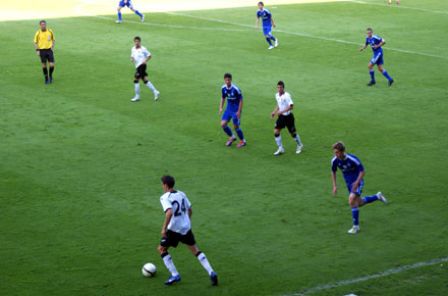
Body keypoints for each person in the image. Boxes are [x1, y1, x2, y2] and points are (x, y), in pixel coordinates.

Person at [157, 175, 218, 286]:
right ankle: (211, 271)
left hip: (173, 230)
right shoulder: (182, 194)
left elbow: (169, 212)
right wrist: (187, 222)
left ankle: (175, 274)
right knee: (195, 250)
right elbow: (190, 210)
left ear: (165, 185)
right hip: (186, 228)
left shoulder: (165, 197)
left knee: (162, 249)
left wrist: (164, 228)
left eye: (162, 184)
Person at [331, 142, 388, 234]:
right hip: (349, 184)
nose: (336, 154)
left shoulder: (352, 159)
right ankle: (377, 196)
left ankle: (356, 227)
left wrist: (357, 182)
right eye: (335, 152)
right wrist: (334, 185)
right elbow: (333, 172)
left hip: (358, 181)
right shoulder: (335, 160)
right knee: (359, 203)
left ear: (343, 151)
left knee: (351, 200)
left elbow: (362, 171)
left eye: (337, 152)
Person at [271, 81, 303, 156]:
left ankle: (299, 145)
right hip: (281, 117)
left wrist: (281, 111)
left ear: (283, 88)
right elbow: (279, 104)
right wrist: (274, 111)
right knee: (276, 131)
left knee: (293, 133)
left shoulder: (287, 95)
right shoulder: (277, 95)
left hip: (288, 117)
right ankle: (280, 148)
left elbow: (291, 106)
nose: (279, 89)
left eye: (280, 87)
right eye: (278, 87)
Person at [219, 73, 247, 148]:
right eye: (226, 80)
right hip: (228, 109)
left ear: (231, 80)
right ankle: (232, 137)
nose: (227, 81)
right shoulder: (223, 88)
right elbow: (223, 97)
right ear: (224, 80)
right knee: (223, 124)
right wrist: (221, 107)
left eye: (228, 80)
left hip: (236, 110)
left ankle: (242, 141)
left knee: (236, 126)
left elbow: (241, 100)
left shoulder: (236, 89)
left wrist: (239, 111)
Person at [130, 36, 160, 102]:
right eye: (135, 41)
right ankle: (155, 91)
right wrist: (132, 59)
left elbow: (149, 55)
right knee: (145, 80)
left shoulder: (143, 49)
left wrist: (145, 61)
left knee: (136, 80)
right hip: (137, 66)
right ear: (134, 42)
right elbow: (132, 56)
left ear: (140, 42)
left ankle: (137, 96)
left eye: (138, 41)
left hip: (142, 66)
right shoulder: (133, 49)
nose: (136, 43)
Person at [33, 20, 55, 84]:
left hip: (49, 50)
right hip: (42, 51)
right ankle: (46, 78)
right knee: (44, 65)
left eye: (44, 24)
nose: (43, 26)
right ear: (40, 25)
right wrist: (37, 50)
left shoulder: (50, 31)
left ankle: (50, 75)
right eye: (42, 25)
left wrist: (52, 46)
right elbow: (35, 42)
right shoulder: (38, 33)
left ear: (46, 25)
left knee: (52, 65)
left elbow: (53, 39)